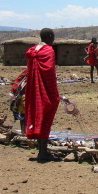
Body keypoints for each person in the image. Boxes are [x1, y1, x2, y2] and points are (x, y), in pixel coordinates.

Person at [25, 28, 61, 161]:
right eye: (53, 37)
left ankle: (42, 150)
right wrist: (54, 94)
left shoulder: (33, 50)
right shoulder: (48, 51)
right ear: (50, 36)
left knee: (37, 116)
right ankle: (43, 153)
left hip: (32, 90)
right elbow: (49, 72)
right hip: (45, 90)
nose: (53, 39)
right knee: (45, 116)